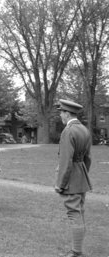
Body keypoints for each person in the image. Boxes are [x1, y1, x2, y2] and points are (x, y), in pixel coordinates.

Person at [55, 99, 92, 257]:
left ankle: (76, 252)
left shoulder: (68, 131)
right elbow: (88, 158)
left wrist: (60, 184)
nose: (60, 116)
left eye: (61, 112)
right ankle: (78, 250)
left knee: (74, 214)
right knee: (79, 213)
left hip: (71, 178)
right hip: (82, 176)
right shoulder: (84, 129)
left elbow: (66, 160)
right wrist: (83, 175)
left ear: (67, 113)